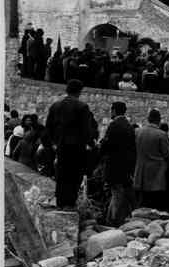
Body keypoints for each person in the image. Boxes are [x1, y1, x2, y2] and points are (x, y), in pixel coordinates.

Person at [45, 79, 98, 208]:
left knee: (62, 175)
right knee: (74, 176)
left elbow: (48, 127)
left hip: (61, 146)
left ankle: (60, 202)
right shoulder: (82, 107)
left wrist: (54, 142)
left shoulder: (56, 106)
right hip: (76, 148)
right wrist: (91, 144)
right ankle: (69, 203)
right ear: (80, 91)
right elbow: (86, 130)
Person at [101, 102, 137, 225]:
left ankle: (113, 220)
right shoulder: (129, 126)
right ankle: (111, 219)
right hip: (125, 167)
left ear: (114, 111)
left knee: (116, 195)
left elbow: (106, 146)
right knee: (118, 194)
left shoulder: (114, 125)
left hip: (113, 165)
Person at [133, 109, 169, 210]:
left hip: (140, 170)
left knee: (141, 202)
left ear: (148, 119)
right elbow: (167, 155)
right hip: (156, 173)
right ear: (158, 120)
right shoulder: (161, 135)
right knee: (154, 204)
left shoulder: (137, 132)